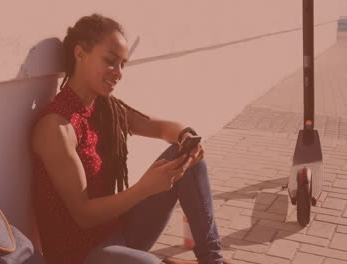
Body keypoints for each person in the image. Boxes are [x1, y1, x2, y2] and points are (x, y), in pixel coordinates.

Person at [30, 13, 230, 264]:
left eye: (123, 64)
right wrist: (145, 188)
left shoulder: (104, 108)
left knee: (190, 159)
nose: (119, 73)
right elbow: (83, 215)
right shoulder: (56, 127)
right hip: (79, 255)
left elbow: (161, 128)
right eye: (111, 61)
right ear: (80, 54)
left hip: (117, 233)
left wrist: (185, 136)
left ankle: (213, 260)